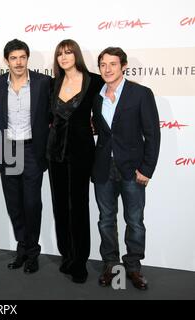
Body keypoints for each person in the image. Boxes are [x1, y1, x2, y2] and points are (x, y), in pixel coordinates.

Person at [92, 47, 160, 290]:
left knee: (135, 220)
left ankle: (133, 268)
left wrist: (147, 169)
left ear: (124, 66)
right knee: (105, 220)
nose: (107, 69)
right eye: (103, 65)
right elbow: (100, 130)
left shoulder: (140, 94)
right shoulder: (96, 96)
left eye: (112, 64)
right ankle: (111, 264)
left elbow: (152, 134)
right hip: (102, 169)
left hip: (133, 170)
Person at [47, 39, 104, 283]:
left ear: (76, 55)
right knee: (60, 205)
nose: (64, 57)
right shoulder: (53, 83)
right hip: (55, 153)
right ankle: (67, 255)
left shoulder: (94, 81)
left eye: (68, 52)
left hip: (81, 152)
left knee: (78, 206)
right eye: (60, 54)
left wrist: (96, 128)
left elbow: (106, 111)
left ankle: (79, 260)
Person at [0, 39, 51, 274]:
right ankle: (22, 249)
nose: (18, 62)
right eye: (13, 58)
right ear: (7, 60)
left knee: (32, 204)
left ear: (28, 58)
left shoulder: (43, 83)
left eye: (22, 57)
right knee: (14, 204)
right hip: (7, 149)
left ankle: (33, 251)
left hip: (31, 150)